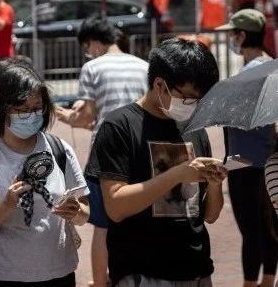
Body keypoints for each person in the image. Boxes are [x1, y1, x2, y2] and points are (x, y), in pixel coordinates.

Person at [89, 38, 226, 287]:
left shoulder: (194, 129)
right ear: (160, 85)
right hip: (143, 273)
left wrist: (215, 183)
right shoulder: (119, 126)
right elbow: (116, 207)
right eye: (188, 98)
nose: (193, 106)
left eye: (199, 99)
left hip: (196, 270)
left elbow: (211, 215)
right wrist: (176, 175)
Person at [0, 60, 90, 286]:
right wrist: (6, 205)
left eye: (37, 107)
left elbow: (85, 213)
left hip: (59, 273)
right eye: (22, 109)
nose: (31, 115)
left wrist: (75, 211)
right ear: (1, 108)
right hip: (4, 276)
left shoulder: (59, 149)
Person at [56, 16, 148, 287]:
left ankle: (100, 282)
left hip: (107, 153)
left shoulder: (93, 67)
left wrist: (60, 114)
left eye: (87, 47)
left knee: (103, 223)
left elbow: (85, 118)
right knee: (138, 217)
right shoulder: (144, 66)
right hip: (140, 148)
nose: (88, 52)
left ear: (93, 43)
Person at [217, 9, 278, 287]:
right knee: (270, 228)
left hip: (244, 162)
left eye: (233, 34)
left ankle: (250, 284)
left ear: (241, 36)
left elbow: (241, 118)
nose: (231, 39)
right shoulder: (273, 67)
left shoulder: (248, 76)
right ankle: (267, 281)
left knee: (251, 232)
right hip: (269, 160)